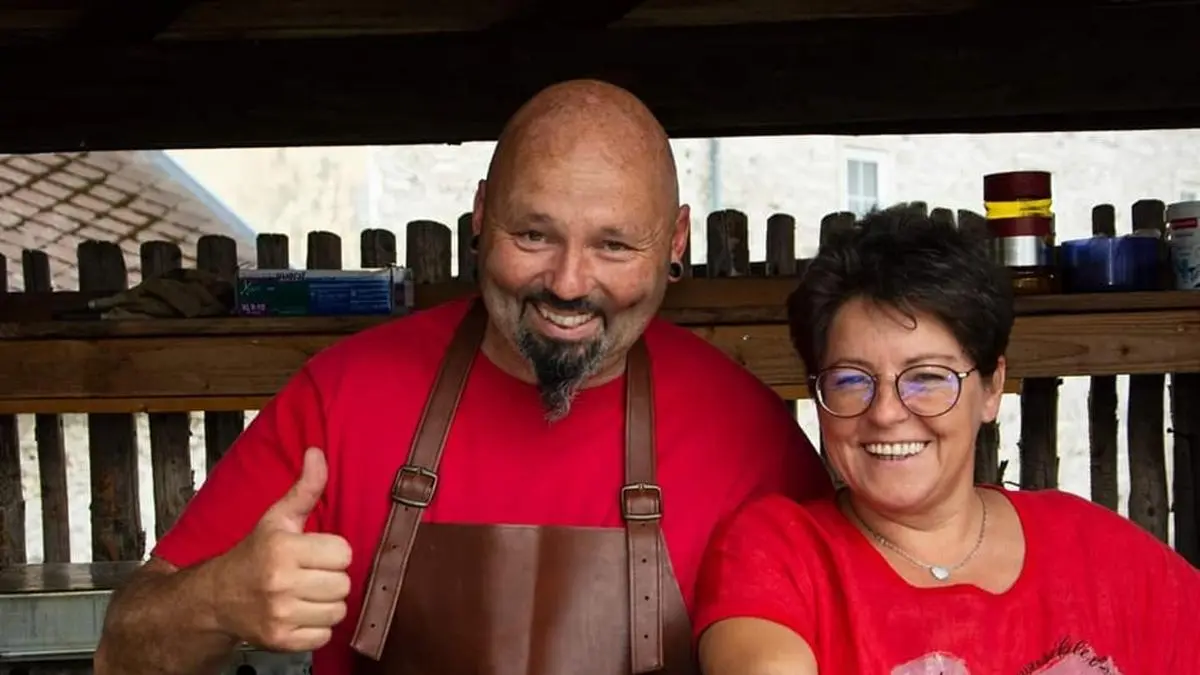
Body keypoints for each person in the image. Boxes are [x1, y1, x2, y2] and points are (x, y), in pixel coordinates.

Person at [93, 79, 832, 675]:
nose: (570, 283)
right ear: (480, 217)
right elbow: (120, 653)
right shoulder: (341, 399)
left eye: (614, 244)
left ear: (675, 240)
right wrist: (219, 600)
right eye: (533, 234)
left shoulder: (754, 439)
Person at [692, 205, 1200, 674]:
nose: (887, 413)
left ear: (991, 387)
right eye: (850, 380)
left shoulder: (1100, 553)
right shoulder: (779, 556)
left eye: (928, 378)